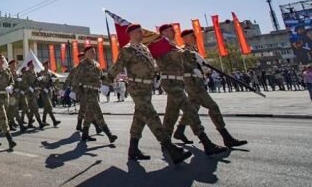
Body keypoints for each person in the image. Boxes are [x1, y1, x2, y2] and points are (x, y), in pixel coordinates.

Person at [107, 24, 191, 163]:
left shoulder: (144, 48)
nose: (142, 34)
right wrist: (106, 80)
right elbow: (118, 66)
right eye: (139, 32)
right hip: (136, 87)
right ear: (132, 34)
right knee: (152, 116)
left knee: (140, 117)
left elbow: (151, 65)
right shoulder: (127, 50)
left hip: (147, 87)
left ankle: (133, 149)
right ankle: (170, 148)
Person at [155, 24, 226, 156]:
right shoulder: (160, 45)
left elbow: (181, 60)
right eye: (170, 30)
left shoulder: (173, 45)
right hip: (170, 82)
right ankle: (206, 143)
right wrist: (190, 55)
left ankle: (166, 142)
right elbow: (173, 57)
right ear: (163, 32)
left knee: (171, 113)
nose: (173, 32)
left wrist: (196, 67)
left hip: (178, 81)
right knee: (190, 110)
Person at [174, 30, 247, 148]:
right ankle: (226, 137)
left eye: (194, 35)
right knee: (213, 106)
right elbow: (184, 63)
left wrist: (204, 71)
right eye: (191, 36)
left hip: (197, 81)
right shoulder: (184, 51)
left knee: (193, 108)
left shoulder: (194, 50)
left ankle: (179, 131)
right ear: (185, 38)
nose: (194, 37)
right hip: (192, 82)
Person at [77, 46, 117, 143]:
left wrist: (108, 82)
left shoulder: (97, 64)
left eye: (94, 52)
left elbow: (102, 76)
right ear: (86, 54)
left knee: (90, 114)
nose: (93, 53)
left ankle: (85, 135)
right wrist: (75, 91)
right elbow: (77, 77)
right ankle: (109, 134)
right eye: (91, 52)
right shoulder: (83, 64)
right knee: (98, 112)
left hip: (95, 91)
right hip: (87, 92)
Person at [38, 61, 61, 127]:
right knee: (49, 105)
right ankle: (54, 121)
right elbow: (38, 82)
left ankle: (43, 121)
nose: (47, 66)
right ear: (44, 65)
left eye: (48, 65)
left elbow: (56, 80)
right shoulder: (41, 73)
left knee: (46, 106)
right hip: (43, 92)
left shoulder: (50, 73)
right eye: (46, 65)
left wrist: (54, 83)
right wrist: (43, 88)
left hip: (49, 91)